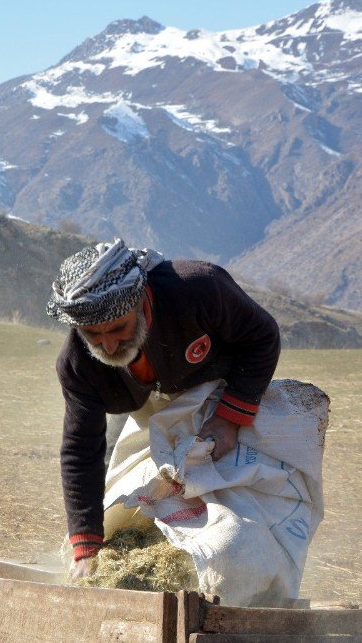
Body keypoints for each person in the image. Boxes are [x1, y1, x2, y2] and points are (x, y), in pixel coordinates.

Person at [46, 239, 280, 579]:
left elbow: (263, 336)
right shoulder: (78, 365)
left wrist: (230, 417)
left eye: (118, 328)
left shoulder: (200, 288)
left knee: (239, 492)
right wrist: (86, 547)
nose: (108, 345)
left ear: (142, 302)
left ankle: (254, 571)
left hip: (223, 386)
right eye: (92, 334)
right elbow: (81, 451)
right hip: (148, 404)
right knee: (144, 484)